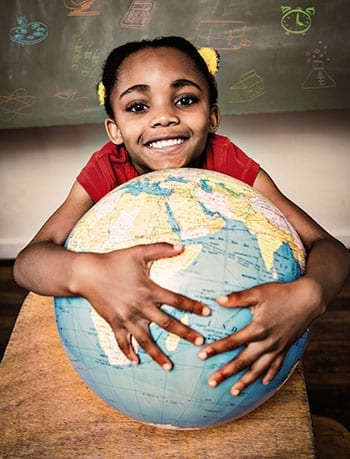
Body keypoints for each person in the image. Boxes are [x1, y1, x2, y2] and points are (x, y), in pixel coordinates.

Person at [14, 36, 349, 396]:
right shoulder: (107, 169)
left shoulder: (227, 163)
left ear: (213, 117)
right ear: (114, 130)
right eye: (138, 106)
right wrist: (87, 273)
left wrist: (311, 295)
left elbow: (328, 247)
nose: (164, 117)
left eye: (185, 100)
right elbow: (28, 262)